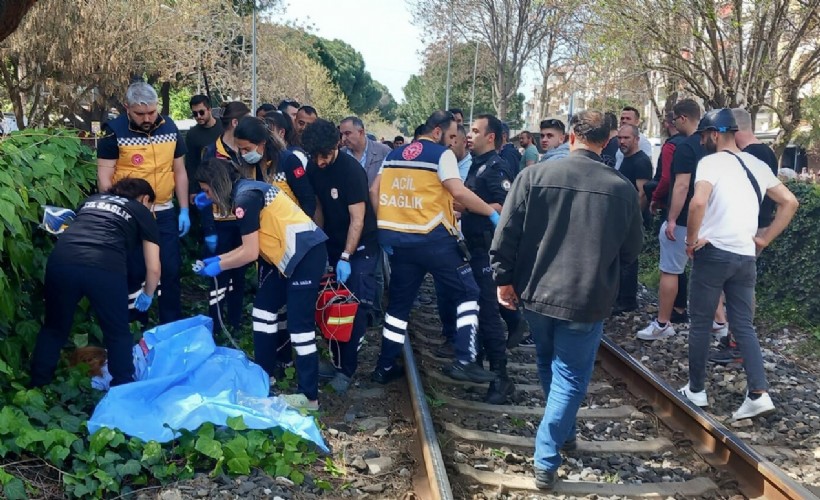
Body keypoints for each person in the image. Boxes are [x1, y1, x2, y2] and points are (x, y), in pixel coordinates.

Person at [490, 110, 643, 491]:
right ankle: (547, 455)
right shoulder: (621, 187)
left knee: (548, 362)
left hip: (537, 293)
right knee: (571, 377)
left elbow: (506, 234)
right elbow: (632, 250)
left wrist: (503, 280)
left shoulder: (534, 176)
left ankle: (560, 435)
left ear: (571, 135)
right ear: (606, 141)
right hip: (587, 297)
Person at [679, 109, 798, 420]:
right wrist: (764, 239)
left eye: (704, 135)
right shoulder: (756, 164)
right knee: (743, 325)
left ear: (715, 134)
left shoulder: (710, 162)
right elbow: (790, 201)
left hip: (714, 253)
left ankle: (696, 390)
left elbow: (698, 202)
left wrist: (691, 241)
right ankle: (758, 393)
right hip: (745, 256)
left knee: (701, 323)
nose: (703, 141)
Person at [369, 110, 501, 385]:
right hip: (435, 239)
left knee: (398, 307)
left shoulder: (394, 155)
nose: (454, 142)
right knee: (468, 291)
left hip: (401, 242)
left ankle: (384, 367)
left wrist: (385, 225)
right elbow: (459, 191)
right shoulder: (442, 156)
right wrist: (490, 212)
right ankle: (465, 358)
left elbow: (374, 191)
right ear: (438, 132)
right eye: (452, 135)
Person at [195, 158, 328, 410]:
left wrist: (219, 264)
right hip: (281, 257)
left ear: (216, 184)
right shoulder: (244, 190)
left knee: (300, 329)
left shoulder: (246, 199)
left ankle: (309, 397)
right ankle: (264, 376)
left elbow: (249, 252)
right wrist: (217, 259)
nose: (207, 197)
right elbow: (251, 247)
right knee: (262, 313)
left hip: (306, 255)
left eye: (206, 191)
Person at [30, 178, 161, 388]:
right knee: (118, 333)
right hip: (104, 266)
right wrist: (148, 292)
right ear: (145, 199)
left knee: (54, 328)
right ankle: (123, 389)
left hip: (62, 261)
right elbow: (153, 267)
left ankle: (37, 386)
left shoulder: (90, 200)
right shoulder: (141, 210)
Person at [96, 81, 188, 324]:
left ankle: (170, 325)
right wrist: (118, 212)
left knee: (170, 270)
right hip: (131, 215)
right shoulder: (113, 131)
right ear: (127, 107)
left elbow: (179, 171)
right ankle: (137, 324)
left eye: (152, 112)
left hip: (164, 211)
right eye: (140, 113)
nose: (147, 118)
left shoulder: (170, 127)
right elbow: (105, 177)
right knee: (135, 271)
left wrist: (184, 210)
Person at [302, 119, 379, 394]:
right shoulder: (314, 166)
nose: (319, 162)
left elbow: (358, 219)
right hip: (333, 243)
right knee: (329, 302)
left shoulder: (351, 171)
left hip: (360, 247)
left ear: (335, 146)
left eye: (323, 156)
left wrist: (346, 256)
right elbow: (320, 207)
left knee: (351, 305)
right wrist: (318, 243)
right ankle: (335, 358)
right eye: (315, 157)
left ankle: (347, 369)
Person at [709, 108, 782, 364]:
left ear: (737, 130)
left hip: (748, 229)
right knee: (740, 286)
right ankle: (735, 338)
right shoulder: (768, 152)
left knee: (737, 288)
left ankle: (737, 341)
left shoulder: (750, 155)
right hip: (757, 227)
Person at [460, 113, 517, 403]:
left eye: (474, 131)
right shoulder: (477, 165)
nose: (469, 135)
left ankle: (501, 378)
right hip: (473, 248)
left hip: (486, 251)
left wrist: (468, 207)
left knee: (488, 313)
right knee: (479, 312)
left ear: (490, 137)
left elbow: (503, 205)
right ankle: (481, 370)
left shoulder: (496, 167)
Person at [197, 101, 252, 330]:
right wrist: (208, 229)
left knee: (238, 277)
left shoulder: (247, 150)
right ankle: (216, 325)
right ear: (236, 123)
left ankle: (236, 324)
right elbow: (205, 190)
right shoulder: (212, 150)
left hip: (242, 224)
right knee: (218, 278)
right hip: (219, 224)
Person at [648, 112, 690, 324]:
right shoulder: (700, 144)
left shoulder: (672, 146)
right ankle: (685, 309)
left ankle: (666, 319)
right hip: (701, 215)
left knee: (671, 268)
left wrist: (655, 199)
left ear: (668, 124)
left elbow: (667, 179)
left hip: (676, 210)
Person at [234, 116, 316, 217]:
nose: (243, 154)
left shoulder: (287, 161)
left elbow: (307, 199)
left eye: (247, 149)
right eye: (240, 149)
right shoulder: (244, 167)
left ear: (262, 142)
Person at [614, 124, 653, 314]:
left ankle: (627, 301)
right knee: (620, 259)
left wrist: (632, 220)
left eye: (626, 138)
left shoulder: (641, 161)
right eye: (620, 138)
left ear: (636, 139)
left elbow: (642, 193)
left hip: (633, 219)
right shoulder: (625, 159)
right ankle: (619, 297)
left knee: (629, 260)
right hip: (621, 216)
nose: (622, 141)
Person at [185, 95, 223, 200]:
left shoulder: (224, 127)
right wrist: (192, 190)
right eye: (194, 114)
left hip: (225, 181)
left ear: (209, 109)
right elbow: (191, 164)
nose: (198, 116)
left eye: (201, 112)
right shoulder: (192, 134)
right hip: (204, 186)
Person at [339, 116, 392, 189]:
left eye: (347, 133)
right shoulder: (340, 155)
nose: (343, 138)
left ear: (361, 132)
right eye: (342, 134)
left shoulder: (384, 152)